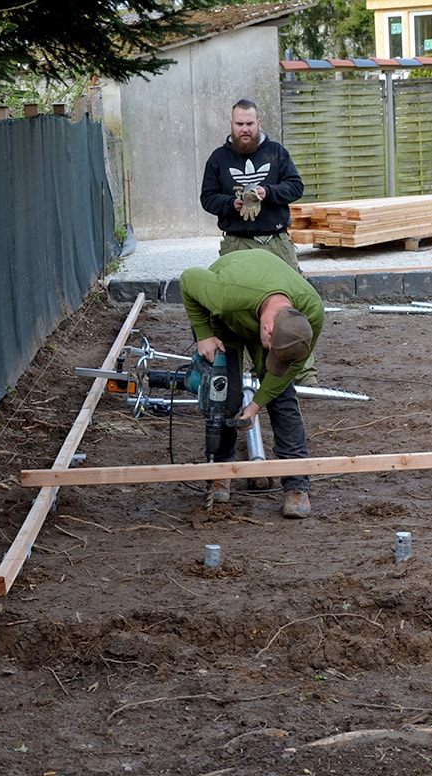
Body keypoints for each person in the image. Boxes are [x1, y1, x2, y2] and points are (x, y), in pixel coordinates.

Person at [179, 249, 324, 519]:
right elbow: (188, 279)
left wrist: (256, 405)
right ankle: (220, 471)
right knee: (224, 396)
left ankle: (296, 484)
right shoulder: (226, 294)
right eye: (272, 350)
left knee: (283, 400)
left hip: (259, 314)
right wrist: (204, 335)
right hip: (225, 321)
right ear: (268, 330)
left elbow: (283, 374)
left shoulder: (310, 316)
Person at [201, 98, 318, 386]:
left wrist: (267, 192)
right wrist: (233, 203)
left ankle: (302, 372)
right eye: (239, 124)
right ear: (231, 124)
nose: (245, 129)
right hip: (238, 244)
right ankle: (249, 373)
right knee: (238, 308)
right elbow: (207, 198)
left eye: (249, 124)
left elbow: (296, 187)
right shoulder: (218, 159)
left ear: (258, 123)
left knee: (293, 303)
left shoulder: (277, 153)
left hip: (277, 241)